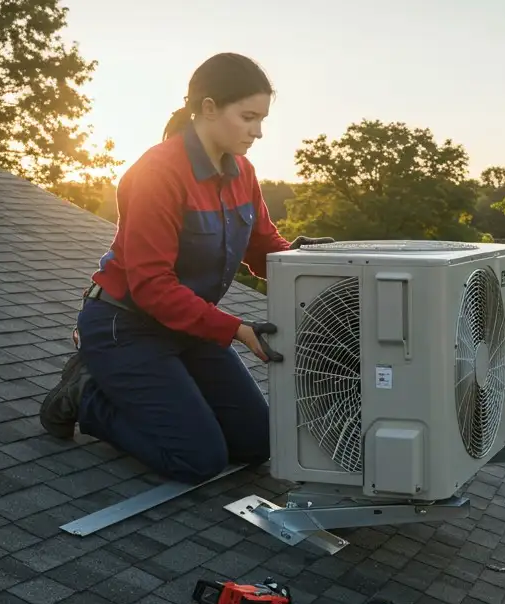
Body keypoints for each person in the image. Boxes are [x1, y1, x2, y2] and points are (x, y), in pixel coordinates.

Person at [38, 52, 331, 485]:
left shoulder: (242, 171)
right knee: (198, 458)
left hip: (188, 325)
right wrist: (235, 328)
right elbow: (152, 286)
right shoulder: (157, 173)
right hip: (126, 326)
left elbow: (262, 244)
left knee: (256, 444)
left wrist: (307, 266)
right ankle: (85, 395)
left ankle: (176, 403)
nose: (259, 131)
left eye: (262, 119)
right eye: (249, 117)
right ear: (209, 108)